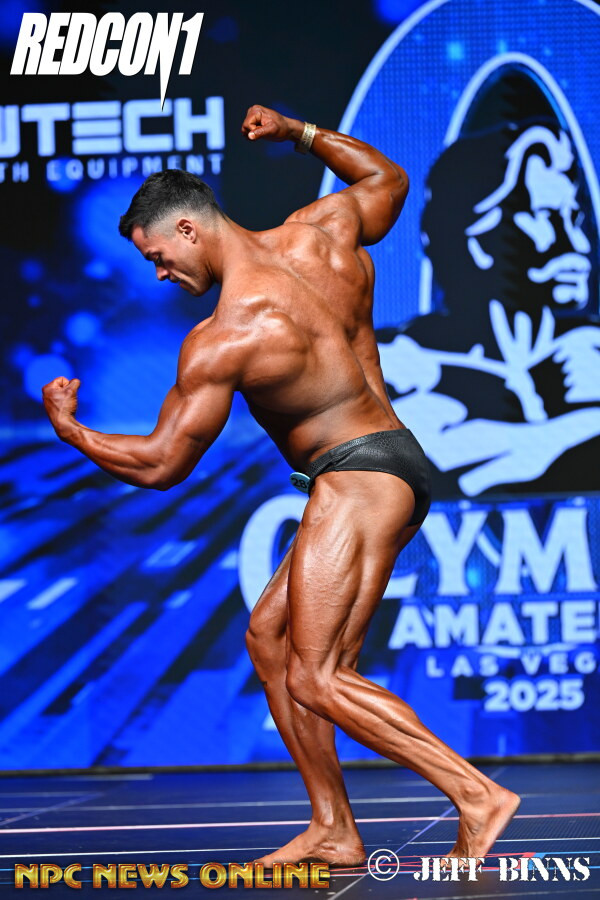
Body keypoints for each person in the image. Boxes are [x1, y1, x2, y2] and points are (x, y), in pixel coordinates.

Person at [42, 104, 520, 867]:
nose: (161, 274)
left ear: (188, 229)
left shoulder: (225, 335)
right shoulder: (319, 233)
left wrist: (73, 431)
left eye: (159, 256)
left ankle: (475, 794)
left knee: (318, 676)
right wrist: (299, 133)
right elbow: (388, 180)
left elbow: (161, 465)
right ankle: (333, 827)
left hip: (358, 479)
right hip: (388, 463)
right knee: (269, 640)